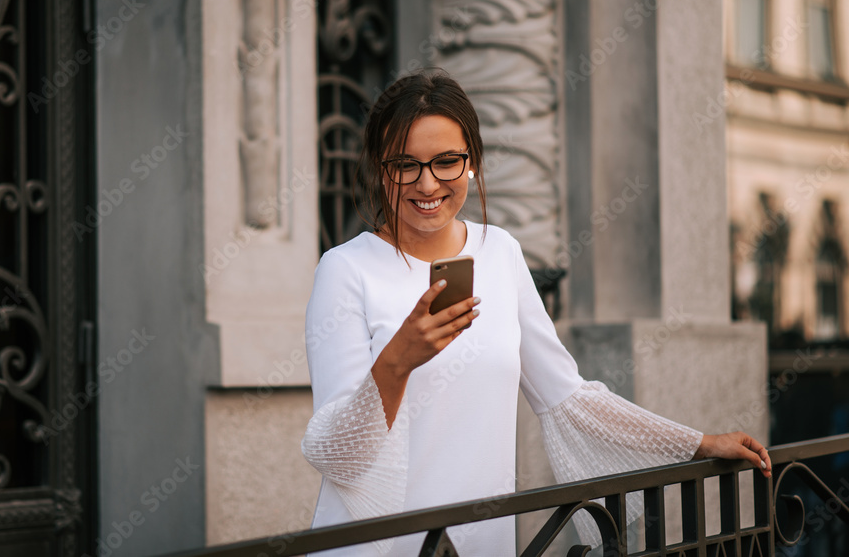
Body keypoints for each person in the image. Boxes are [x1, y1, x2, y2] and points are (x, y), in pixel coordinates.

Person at [301, 71, 771, 555]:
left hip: (483, 540)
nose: (427, 183)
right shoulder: (345, 270)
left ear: (472, 164)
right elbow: (338, 455)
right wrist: (398, 360)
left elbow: (569, 399)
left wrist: (696, 444)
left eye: (446, 162)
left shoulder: (499, 252)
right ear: (382, 170)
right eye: (405, 165)